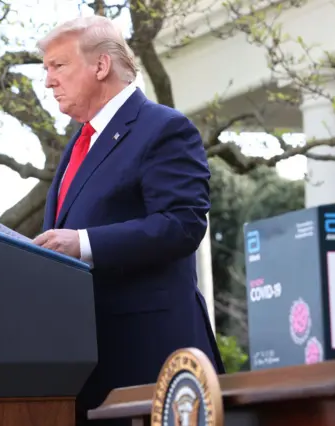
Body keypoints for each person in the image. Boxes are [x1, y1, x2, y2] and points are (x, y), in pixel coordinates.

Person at [32, 15, 225, 425]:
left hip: (150, 363)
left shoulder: (164, 128)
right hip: (87, 365)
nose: (48, 81)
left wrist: (83, 244)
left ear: (100, 66)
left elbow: (182, 223)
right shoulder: (75, 147)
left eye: (58, 66)